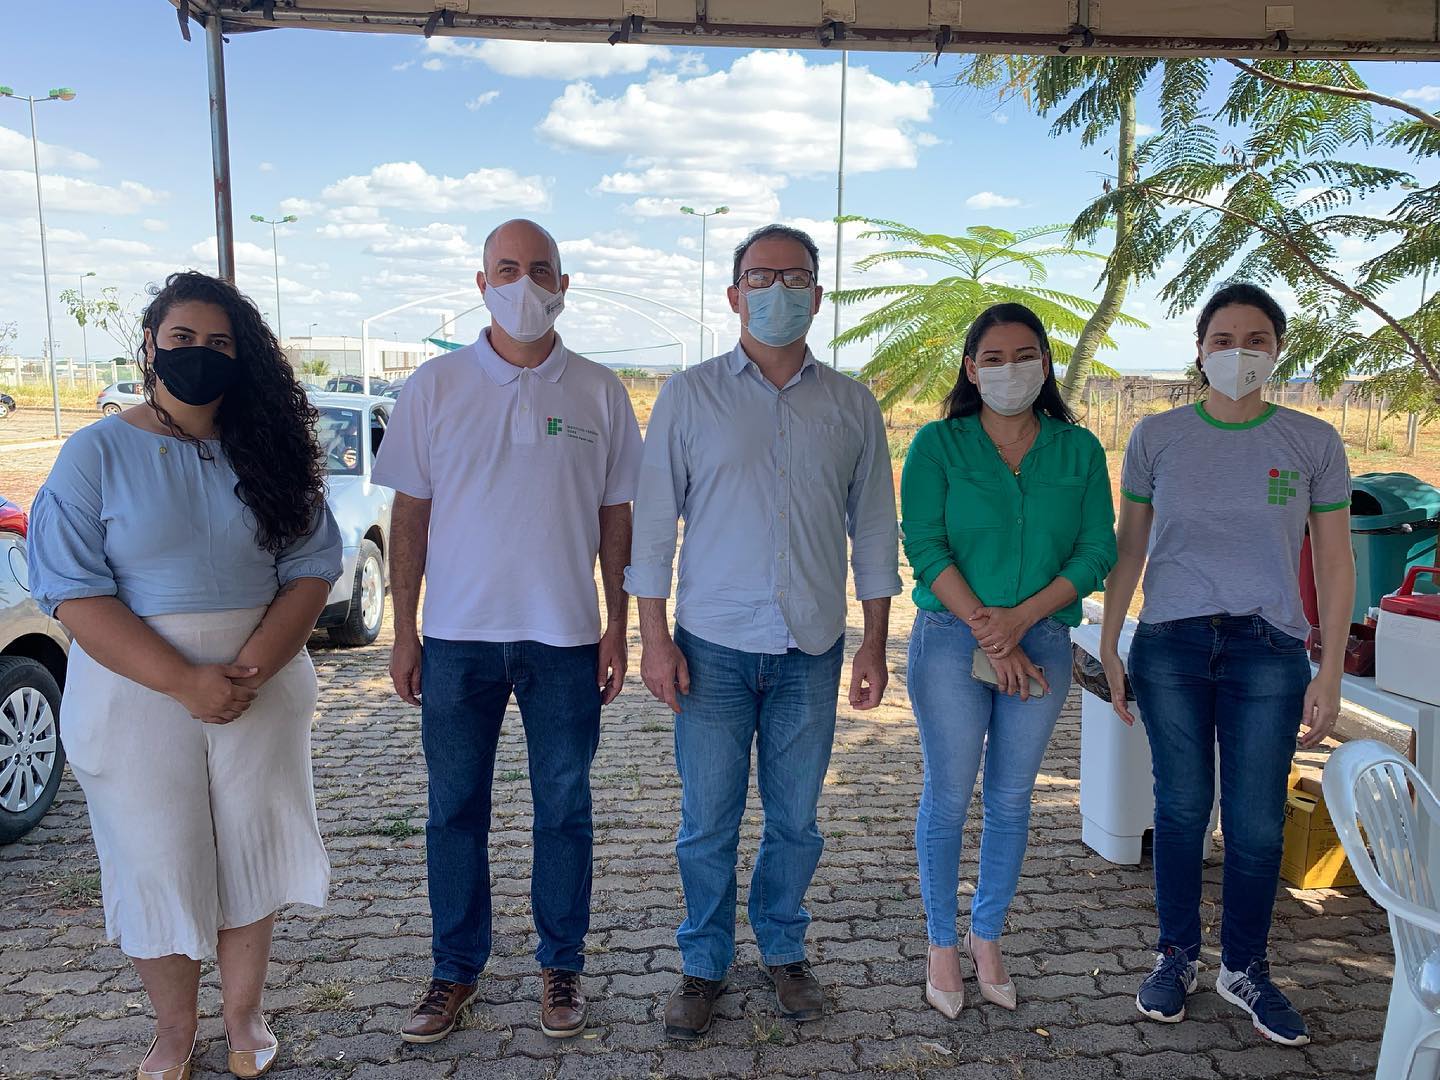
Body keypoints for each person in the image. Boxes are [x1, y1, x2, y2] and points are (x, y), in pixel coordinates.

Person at [28, 270, 343, 1080]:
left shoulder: (270, 450)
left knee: (249, 856)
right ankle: (173, 1032)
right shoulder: (96, 451)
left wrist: (252, 667)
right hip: (135, 694)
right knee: (155, 858)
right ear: (150, 346)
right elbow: (70, 586)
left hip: (259, 689)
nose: (199, 355)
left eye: (218, 344)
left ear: (244, 359)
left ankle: (245, 1022)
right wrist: (184, 681)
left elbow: (311, 566)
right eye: (182, 340)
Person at [626, 224, 902, 1041]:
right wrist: (654, 637)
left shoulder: (852, 404)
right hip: (708, 646)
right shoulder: (689, 394)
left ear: (817, 295)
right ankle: (703, 963)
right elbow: (653, 525)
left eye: (795, 277)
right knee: (706, 822)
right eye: (761, 275)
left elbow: (876, 529)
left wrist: (877, 641)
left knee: (796, 822)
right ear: (734, 292)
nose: (777, 290)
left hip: (811, 652)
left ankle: (784, 947)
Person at [373, 218, 642, 1044]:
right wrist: (405, 630)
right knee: (455, 809)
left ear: (565, 284)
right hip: (457, 640)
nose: (524, 283)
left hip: (564, 639)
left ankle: (563, 965)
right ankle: (455, 970)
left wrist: (616, 626)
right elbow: (409, 517)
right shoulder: (434, 386)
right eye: (507, 268)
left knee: (564, 808)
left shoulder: (600, 391)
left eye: (540, 269)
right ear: (479, 282)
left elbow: (616, 517)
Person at [1100, 282, 1355, 1047]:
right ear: (1200, 349)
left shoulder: (1313, 442)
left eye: (1255, 339)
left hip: (1269, 652)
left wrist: (1331, 669)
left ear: (1278, 351)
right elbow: (1130, 549)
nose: (1237, 352)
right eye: (1221, 338)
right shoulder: (1157, 436)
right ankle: (1175, 956)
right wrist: (1112, 644)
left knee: (1253, 824)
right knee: (1179, 812)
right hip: (1172, 643)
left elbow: (1337, 564)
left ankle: (1245, 968)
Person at [899, 303, 1116, 1018]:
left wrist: (1020, 622)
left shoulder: (1077, 450)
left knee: (1012, 798)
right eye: (993, 358)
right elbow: (925, 545)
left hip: (1044, 641)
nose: (1009, 369)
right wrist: (992, 632)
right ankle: (939, 942)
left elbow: (1096, 551)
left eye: (1025, 355)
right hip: (951, 640)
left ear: (1046, 364)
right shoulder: (938, 444)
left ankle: (986, 935)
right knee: (950, 793)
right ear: (970, 369)